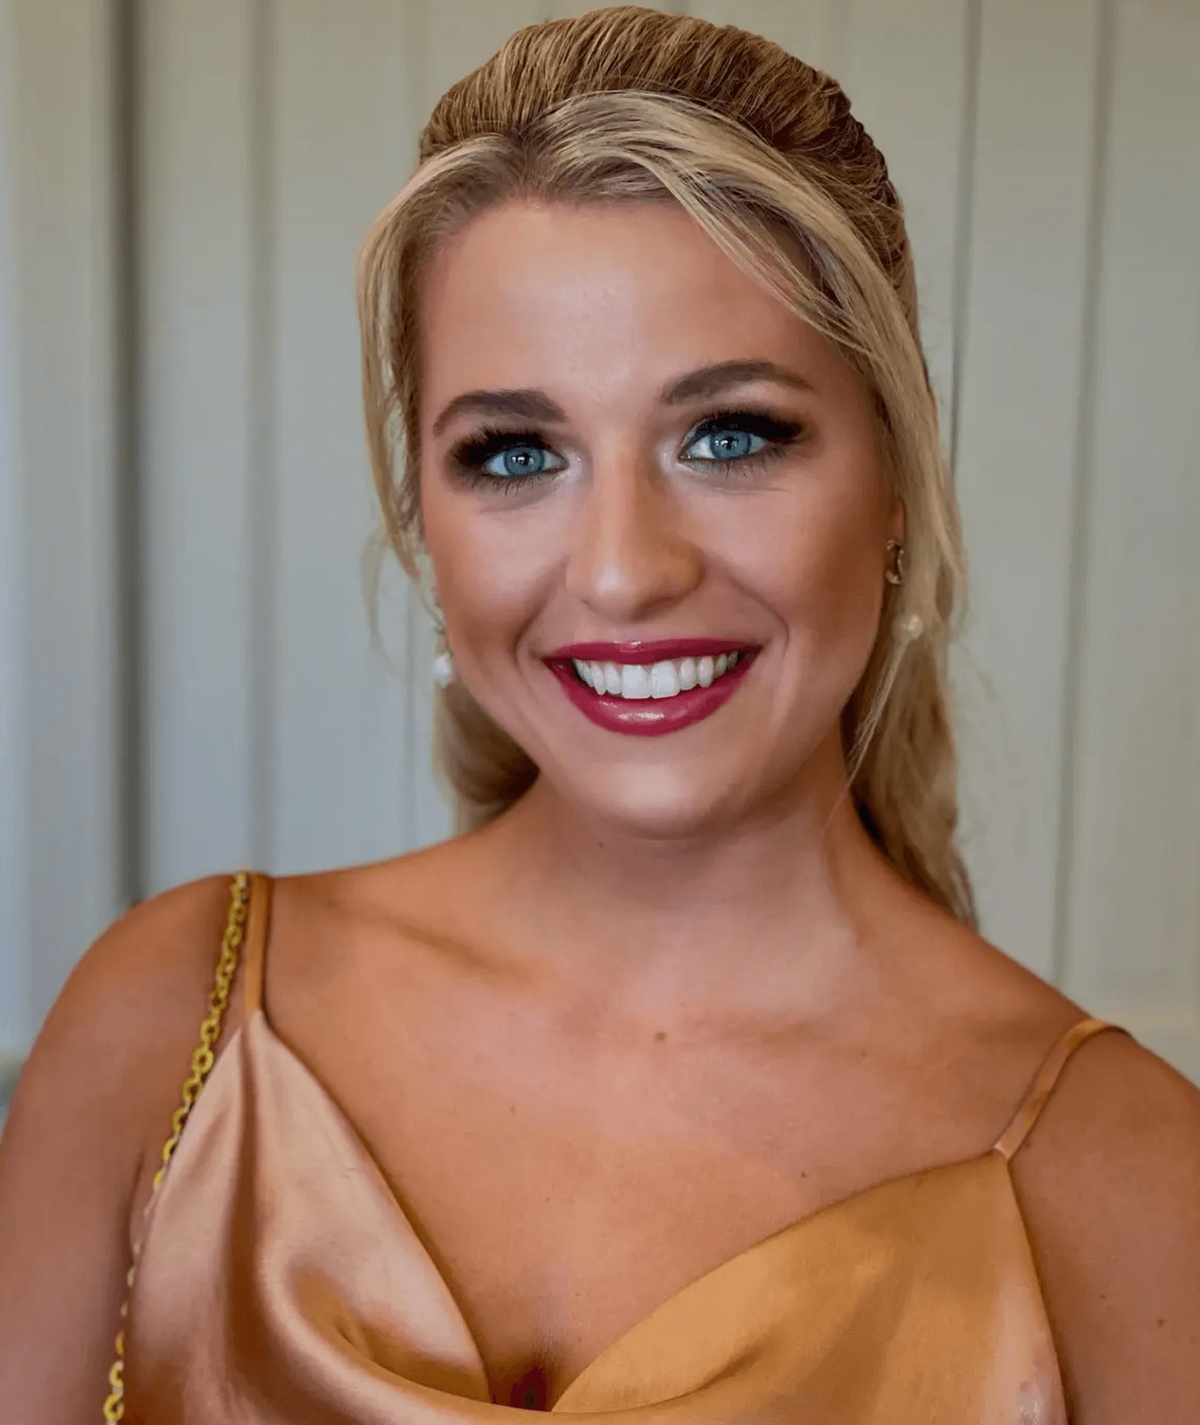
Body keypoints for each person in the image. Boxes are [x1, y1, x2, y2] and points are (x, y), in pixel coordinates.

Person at [2, 6, 1198, 1421]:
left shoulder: (1128, 1186)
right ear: (419, 517)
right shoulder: (170, 1021)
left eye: (730, 434)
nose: (626, 570)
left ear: (893, 478)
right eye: (516, 453)